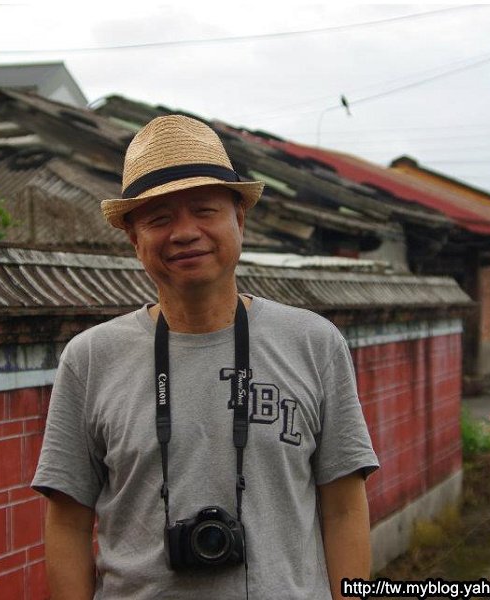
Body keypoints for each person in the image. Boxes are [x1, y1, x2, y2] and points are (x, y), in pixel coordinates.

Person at [32, 114, 379, 599]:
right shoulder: (90, 360)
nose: (185, 232)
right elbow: (68, 522)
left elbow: (343, 506)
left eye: (204, 210)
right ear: (134, 238)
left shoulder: (314, 343)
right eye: (159, 219)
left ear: (240, 217)